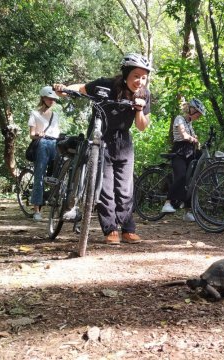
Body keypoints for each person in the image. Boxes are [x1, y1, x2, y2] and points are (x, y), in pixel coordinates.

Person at [53, 53, 152, 245]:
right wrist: (62, 90)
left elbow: (141, 126)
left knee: (125, 187)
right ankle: (111, 228)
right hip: (100, 138)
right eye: (136, 76)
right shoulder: (104, 85)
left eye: (143, 77)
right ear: (125, 74)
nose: (139, 81)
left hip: (123, 141)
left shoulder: (144, 94)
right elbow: (80, 88)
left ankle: (127, 230)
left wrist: (139, 110)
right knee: (106, 186)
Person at [161, 98, 206, 222]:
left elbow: (191, 137)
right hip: (179, 153)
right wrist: (193, 139)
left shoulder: (190, 123)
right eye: (198, 113)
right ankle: (168, 203)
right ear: (191, 110)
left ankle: (187, 211)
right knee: (180, 176)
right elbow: (183, 135)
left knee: (190, 181)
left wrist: (196, 141)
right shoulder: (179, 119)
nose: (198, 116)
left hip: (189, 153)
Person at [29, 86, 61, 221]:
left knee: (58, 175)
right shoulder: (35, 114)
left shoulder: (56, 115)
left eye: (54, 99)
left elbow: (57, 132)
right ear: (43, 98)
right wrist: (38, 134)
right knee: (39, 175)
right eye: (49, 98)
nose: (52, 101)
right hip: (42, 144)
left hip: (55, 144)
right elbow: (31, 135)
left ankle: (55, 204)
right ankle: (37, 210)